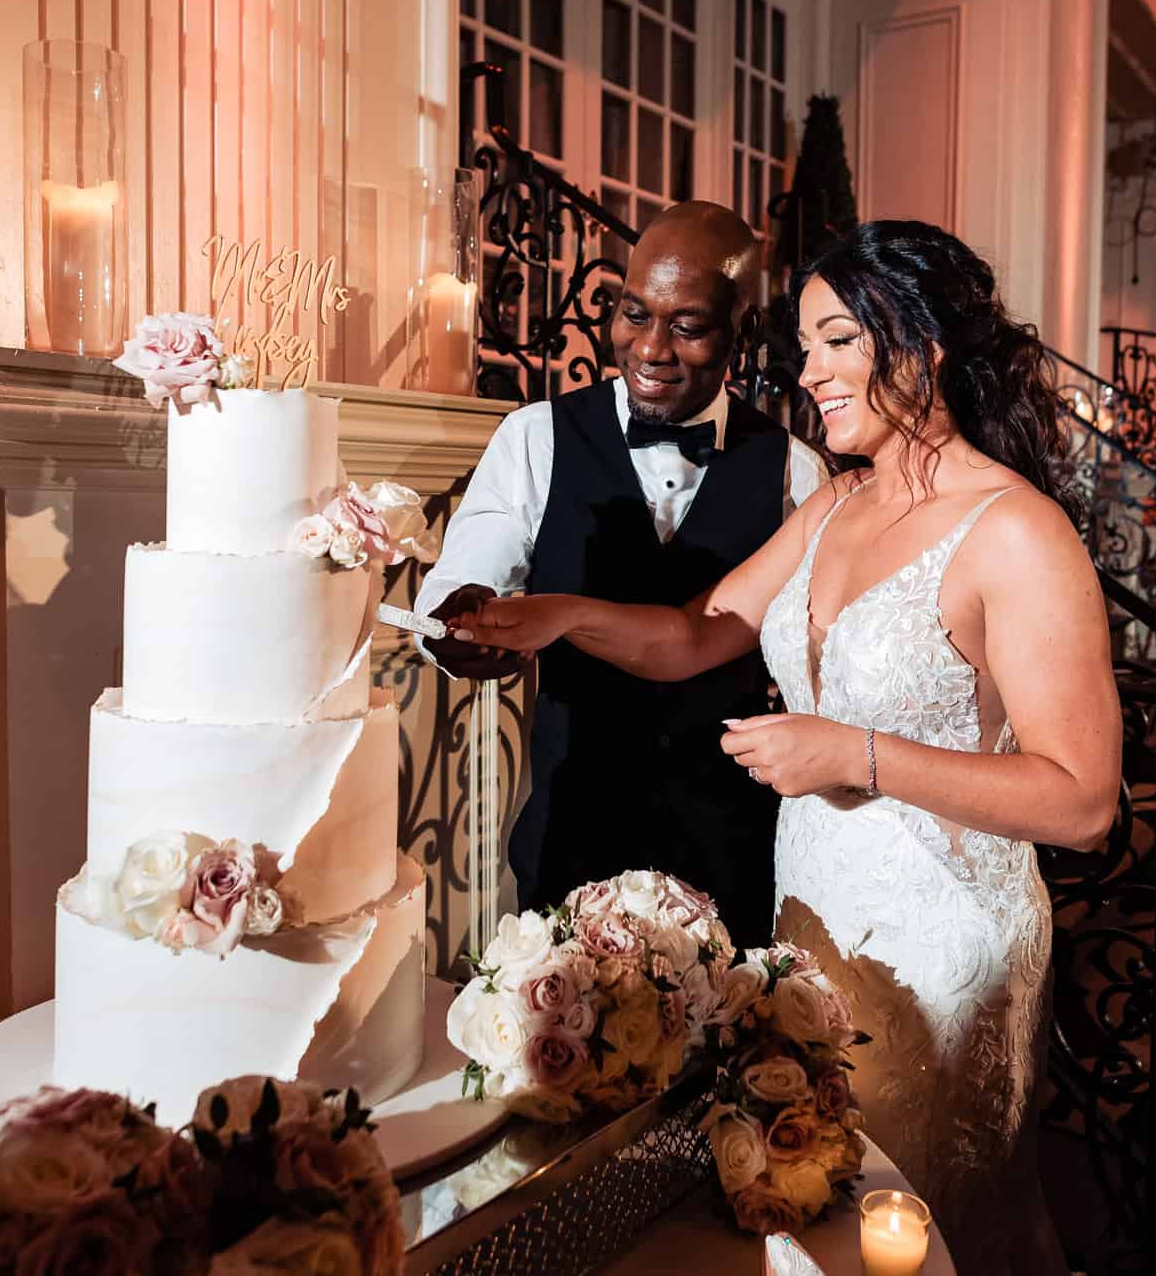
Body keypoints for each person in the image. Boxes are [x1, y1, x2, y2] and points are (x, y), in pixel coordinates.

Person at [448, 219, 1120, 1274]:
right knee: (803, 1212)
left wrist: (852, 754)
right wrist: (560, 615)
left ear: (921, 345)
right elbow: (691, 637)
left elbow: (1081, 801)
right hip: (806, 926)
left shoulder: (1015, 532)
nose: (806, 375)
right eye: (803, 347)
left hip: (939, 946)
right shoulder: (837, 505)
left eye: (834, 342)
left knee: (915, 1225)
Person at [415, 201, 826, 947]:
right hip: (572, 835)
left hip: (731, 850)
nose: (650, 347)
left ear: (745, 334)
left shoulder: (797, 471)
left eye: (689, 325)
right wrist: (457, 622)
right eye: (634, 313)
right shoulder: (535, 437)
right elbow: (461, 579)